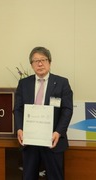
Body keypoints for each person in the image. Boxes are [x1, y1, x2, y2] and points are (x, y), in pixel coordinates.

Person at [13, 46, 73, 180]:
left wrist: (58, 132)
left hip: (53, 140)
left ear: (49, 62)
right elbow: (17, 108)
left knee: (55, 177)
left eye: (43, 60)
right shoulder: (24, 83)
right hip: (29, 141)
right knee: (28, 176)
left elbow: (67, 110)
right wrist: (19, 129)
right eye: (35, 61)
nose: (40, 64)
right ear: (31, 65)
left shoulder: (62, 83)